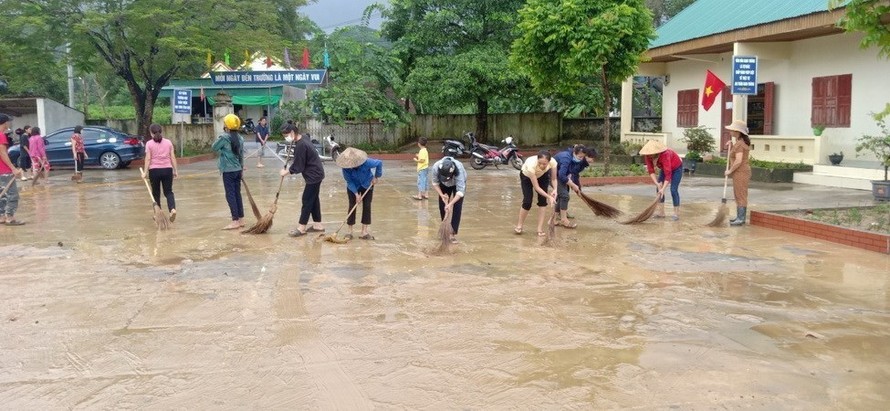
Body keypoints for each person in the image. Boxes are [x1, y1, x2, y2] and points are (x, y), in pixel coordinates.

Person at [278, 120, 326, 237]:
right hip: (317, 173)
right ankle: (318, 225)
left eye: (287, 135)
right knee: (313, 199)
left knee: (307, 200)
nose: (286, 138)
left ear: (293, 132)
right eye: (284, 136)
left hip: (313, 175)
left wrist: (286, 172)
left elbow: (298, 166)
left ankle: (302, 227)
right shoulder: (303, 137)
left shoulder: (301, 144)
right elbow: (305, 137)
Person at [336, 147, 383, 240]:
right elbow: (349, 181)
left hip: (367, 184)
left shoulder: (366, 162)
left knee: (367, 206)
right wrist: (356, 194)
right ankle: (349, 231)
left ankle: (364, 232)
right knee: (352, 205)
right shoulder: (345, 168)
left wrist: (376, 176)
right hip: (353, 187)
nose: (352, 166)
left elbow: (379, 163)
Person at [212, 114, 246, 230]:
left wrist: (222, 136)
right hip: (237, 170)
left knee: (230, 195)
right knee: (237, 194)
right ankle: (241, 219)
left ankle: (235, 220)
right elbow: (241, 155)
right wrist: (241, 169)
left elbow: (214, 147)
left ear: (226, 125)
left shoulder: (224, 138)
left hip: (228, 171)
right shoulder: (240, 138)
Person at [515, 150, 558, 236]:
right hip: (527, 177)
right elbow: (537, 187)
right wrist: (549, 197)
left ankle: (539, 229)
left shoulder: (553, 162)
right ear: (537, 160)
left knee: (542, 202)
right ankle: (519, 225)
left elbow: (553, 179)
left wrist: (555, 189)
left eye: (544, 164)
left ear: (549, 162)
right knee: (527, 201)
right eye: (540, 163)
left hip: (542, 176)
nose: (542, 165)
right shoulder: (531, 164)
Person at [554, 145, 597, 228]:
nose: (593, 161)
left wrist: (578, 189)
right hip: (553, 175)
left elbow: (575, 174)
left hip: (561, 175)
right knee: (564, 195)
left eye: (582, 157)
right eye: (592, 158)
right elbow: (561, 175)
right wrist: (572, 184)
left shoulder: (579, 161)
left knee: (562, 195)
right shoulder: (566, 158)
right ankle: (563, 219)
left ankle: (553, 219)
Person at [640, 140, 684, 220]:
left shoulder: (665, 154)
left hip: (676, 168)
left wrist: (663, 188)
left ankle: (676, 213)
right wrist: (657, 184)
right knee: (658, 189)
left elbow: (668, 174)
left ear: (656, 152)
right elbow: (651, 171)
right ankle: (661, 213)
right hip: (665, 169)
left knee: (673, 190)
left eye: (651, 154)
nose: (649, 155)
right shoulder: (648, 156)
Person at [144, 124, 179, 222]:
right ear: (161, 132)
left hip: (154, 171)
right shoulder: (168, 142)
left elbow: (148, 159)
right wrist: (175, 170)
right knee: (168, 192)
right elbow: (172, 157)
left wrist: (145, 172)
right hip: (167, 170)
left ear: (151, 133)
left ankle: (157, 214)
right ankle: (172, 209)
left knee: (156, 193)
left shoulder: (149, 144)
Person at [431, 156, 467, 244]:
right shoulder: (436, 167)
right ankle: (445, 230)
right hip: (443, 185)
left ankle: (452, 233)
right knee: (442, 206)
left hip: (457, 185)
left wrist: (450, 204)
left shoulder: (459, 170)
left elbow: (460, 192)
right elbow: (435, 183)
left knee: (457, 207)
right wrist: (442, 195)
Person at [725, 120, 752, 226]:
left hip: (741, 172)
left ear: (737, 131)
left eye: (732, 129)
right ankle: (739, 217)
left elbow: (738, 160)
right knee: (738, 194)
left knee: (741, 195)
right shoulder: (739, 143)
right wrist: (731, 145)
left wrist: (730, 171)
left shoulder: (740, 144)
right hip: (739, 172)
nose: (730, 131)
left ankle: (741, 219)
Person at [0, 114, 25, 225]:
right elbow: (2, 153)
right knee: (13, 194)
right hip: (4, 170)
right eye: (8, 122)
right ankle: (10, 218)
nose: (9, 124)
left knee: (2, 194)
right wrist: (13, 168)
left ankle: (1, 217)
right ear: (5, 123)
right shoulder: (1, 135)